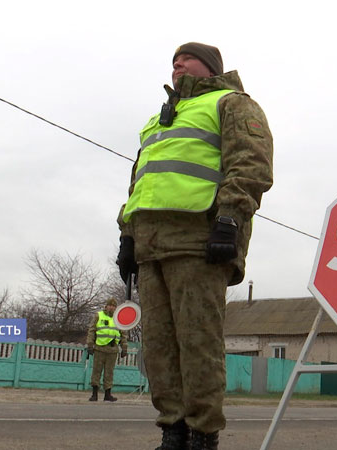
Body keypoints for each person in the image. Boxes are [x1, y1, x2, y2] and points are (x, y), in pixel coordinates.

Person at [116, 42, 273, 450]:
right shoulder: (159, 120)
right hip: (151, 247)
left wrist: (229, 220)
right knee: (158, 348)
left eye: (185, 58)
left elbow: (250, 164)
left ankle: (203, 434)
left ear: (209, 67)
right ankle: (173, 429)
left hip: (199, 241)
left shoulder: (232, 103)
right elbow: (141, 182)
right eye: (172, 60)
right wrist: (126, 236)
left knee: (197, 342)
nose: (176, 64)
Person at [86, 298, 128, 402]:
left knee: (109, 373)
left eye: (114, 306)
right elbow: (92, 330)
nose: (112, 308)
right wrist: (90, 345)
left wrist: (124, 348)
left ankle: (107, 395)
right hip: (100, 348)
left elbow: (123, 334)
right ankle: (94, 394)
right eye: (110, 305)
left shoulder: (119, 318)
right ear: (106, 306)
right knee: (96, 371)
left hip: (113, 350)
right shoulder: (98, 315)